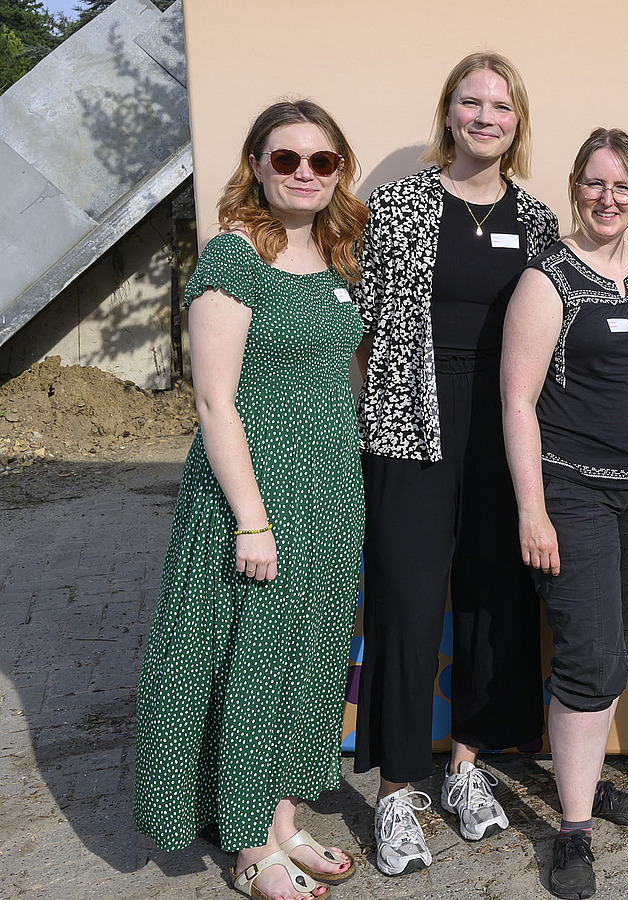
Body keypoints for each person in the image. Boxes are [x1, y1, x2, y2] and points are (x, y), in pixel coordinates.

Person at [134, 99, 367, 900]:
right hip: (255, 495)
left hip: (330, 492)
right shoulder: (234, 258)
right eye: (286, 159)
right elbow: (213, 403)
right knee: (251, 666)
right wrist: (251, 517)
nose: (304, 173)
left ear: (339, 169)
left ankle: (280, 817)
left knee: (304, 662)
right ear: (258, 166)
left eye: (321, 160)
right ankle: (246, 846)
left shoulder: (339, 257)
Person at [352, 51, 558, 876]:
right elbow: (362, 329)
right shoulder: (399, 204)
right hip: (411, 426)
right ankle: (399, 789)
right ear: (448, 114)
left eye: (499, 106)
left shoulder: (537, 220)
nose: (484, 117)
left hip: (504, 428)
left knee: (493, 597)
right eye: (470, 103)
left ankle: (467, 768)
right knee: (404, 600)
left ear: (517, 120)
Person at [502, 128, 628, 900]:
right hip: (571, 487)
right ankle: (573, 830)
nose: (608, 200)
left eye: (623, 188)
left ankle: (587, 776)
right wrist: (532, 510)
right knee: (588, 652)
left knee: (624, 648)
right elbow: (516, 401)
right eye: (594, 185)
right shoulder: (546, 279)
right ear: (574, 187)